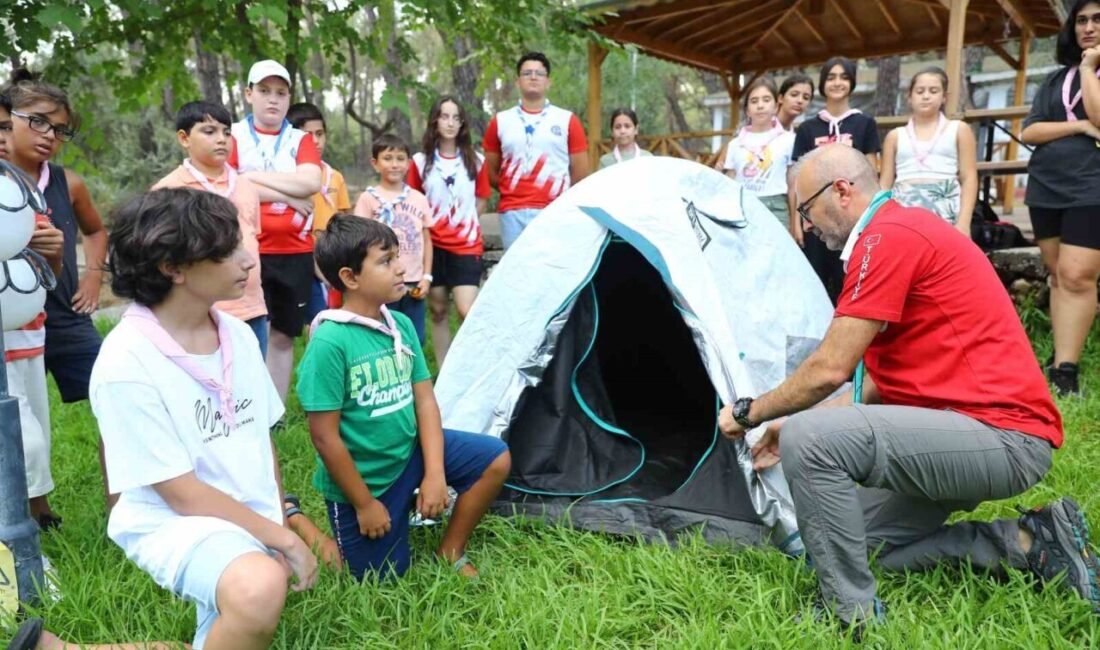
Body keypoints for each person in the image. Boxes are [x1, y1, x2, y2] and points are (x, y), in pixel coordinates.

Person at [718, 144, 1093, 633]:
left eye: (806, 210)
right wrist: (790, 417)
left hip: (1003, 437)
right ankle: (1027, 541)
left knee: (810, 441)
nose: (805, 225)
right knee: (838, 543)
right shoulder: (896, 232)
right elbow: (870, 386)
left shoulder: (886, 237)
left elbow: (830, 367)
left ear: (842, 191)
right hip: (967, 432)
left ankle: (848, 615)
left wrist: (752, 412)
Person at [88, 188, 319, 650]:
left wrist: (274, 519)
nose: (248, 261)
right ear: (173, 268)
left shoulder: (234, 332)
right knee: (256, 588)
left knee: (245, 599)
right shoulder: (125, 361)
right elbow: (181, 493)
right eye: (226, 251)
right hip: (169, 517)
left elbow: (260, 441)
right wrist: (285, 539)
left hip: (238, 509)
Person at [297, 214, 511, 581]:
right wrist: (364, 504)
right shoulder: (331, 342)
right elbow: (324, 437)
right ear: (350, 278)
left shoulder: (402, 325)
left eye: (397, 257)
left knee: (494, 458)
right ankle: (294, 519)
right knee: (374, 579)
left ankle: (451, 549)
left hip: (408, 453)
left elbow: (425, 402)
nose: (401, 268)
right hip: (366, 482)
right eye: (385, 261)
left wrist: (434, 473)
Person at [4, 73, 106, 526]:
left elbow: (94, 232)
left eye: (59, 130)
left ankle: (120, 503)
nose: (50, 137)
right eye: (39, 123)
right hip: (13, 322)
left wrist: (92, 278)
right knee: (21, 420)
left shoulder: (67, 183)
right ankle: (29, 513)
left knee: (108, 395)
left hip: (58, 315)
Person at [228, 59, 322, 402]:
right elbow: (230, 182)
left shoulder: (300, 139)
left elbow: (311, 181)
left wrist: (252, 180)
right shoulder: (234, 134)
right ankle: (243, 403)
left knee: (283, 333)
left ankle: (274, 411)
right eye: (264, 91)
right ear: (248, 94)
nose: (273, 100)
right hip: (246, 249)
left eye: (281, 93)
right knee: (244, 331)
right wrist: (288, 193)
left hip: (293, 250)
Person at [1021, 0, 1100, 397]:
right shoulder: (1055, 79)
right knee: (1057, 275)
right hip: (1046, 184)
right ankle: (1058, 359)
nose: (1088, 27)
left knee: (1076, 275)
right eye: (1082, 20)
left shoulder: (1088, 73)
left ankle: (1066, 371)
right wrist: (1080, 125)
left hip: (1093, 185)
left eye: (1097, 20)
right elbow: (1029, 132)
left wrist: (1089, 68)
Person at [0, 86, 66, 533]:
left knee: (34, 421)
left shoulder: (21, 192)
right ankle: (16, 518)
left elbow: (47, 275)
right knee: (22, 435)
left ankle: (37, 511)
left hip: (28, 330)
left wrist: (53, 251)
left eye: (8, 128)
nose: (4, 137)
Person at [153, 100, 268, 356]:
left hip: (251, 309)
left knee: (250, 386)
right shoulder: (168, 191)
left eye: (227, 132)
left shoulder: (245, 186)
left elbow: (251, 240)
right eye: (209, 131)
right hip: (198, 313)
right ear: (184, 138)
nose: (221, 139)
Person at [789, 57, 881, 304]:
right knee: (815, 279)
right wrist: (796, 221)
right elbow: (794, 178)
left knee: (849, 278)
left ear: (852, 82)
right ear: (822, 83)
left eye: (843, 76)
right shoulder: (808, 128)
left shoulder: (864, 123)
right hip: (815, 217)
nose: (837, 82)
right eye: (831, 77)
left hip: (851, 216)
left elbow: (872, 169)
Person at [407, 96, 491, 365]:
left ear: (462, 123)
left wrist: (462, 223)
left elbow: (481, 199)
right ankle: (446, 372)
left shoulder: (475, 161)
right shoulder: (420, 162)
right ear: (435, 120)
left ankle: (472, 365)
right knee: (438, 309)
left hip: (466, 245)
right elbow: (413, 200)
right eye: (445, 116)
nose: (451, 123)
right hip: (433, 245)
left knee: (467, 310)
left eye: (456, 117)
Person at [483, 51, 589, 249]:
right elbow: (490, 170)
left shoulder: (567, 120)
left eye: (539, 74)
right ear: (517, 81)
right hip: (512, 211)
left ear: (548, 81)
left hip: (553, 210)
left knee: (550, 270)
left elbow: (581, 172)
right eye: (527, 73)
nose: (533, 77)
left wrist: (560, 198)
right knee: (517, 272)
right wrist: (511, 188)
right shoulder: (501, 121)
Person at [353, 133, 432, 343]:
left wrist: (427, 276)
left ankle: (413, 374)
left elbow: (426, 239)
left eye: (400, 158)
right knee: (381, 334)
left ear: (409, 163)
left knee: (414, 337)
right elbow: (359, 240)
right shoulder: (368, 199)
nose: (394, 164)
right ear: (375, 163)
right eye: (387, 158)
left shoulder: (418, 199)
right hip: (380, 280)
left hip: (412, 281)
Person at [880, 67, 977, 233]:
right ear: (909, 97)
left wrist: (964, 222)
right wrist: (880, 218)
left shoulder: (959, 129)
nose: (926, 96)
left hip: (946, 210)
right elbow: (885, 183)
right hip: (904, 210)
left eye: (933, 91)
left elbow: (969, 177)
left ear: (944, 97)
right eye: (919, 91)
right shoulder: (895, 136)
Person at [288, 101, 352, 324]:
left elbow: (344, 218)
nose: (314, 141)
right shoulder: (288, 177)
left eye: (319, 134)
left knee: (336, 316)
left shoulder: (335, 176)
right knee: (313, 319)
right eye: (307, 135)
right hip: (302, 256)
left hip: (332, 256)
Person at [722, 77, 795, 226]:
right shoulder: (735, 144)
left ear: (776, 106)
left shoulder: (789, 140)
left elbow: (793, 183)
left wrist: (795, 222)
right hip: (742, 207)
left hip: (777, 207)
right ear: (747, 110)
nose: (760, 105)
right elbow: (730, 181)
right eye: (754, 101)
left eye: (766, 100)